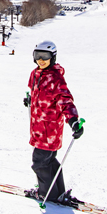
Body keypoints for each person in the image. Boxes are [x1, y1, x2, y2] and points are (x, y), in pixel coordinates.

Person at [22, 40, 84, 205]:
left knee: (39, 162)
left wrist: (73, 120)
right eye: (37, 56)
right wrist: (30, 100)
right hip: (37, 128)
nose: (41, 60)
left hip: (49, 130)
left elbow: (66, 101)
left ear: (53, 57)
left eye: (45, 56)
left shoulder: (56, 78)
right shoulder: (35, 73)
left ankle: (45, 194)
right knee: (49, 161)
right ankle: (57, 192)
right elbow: (35, 90)